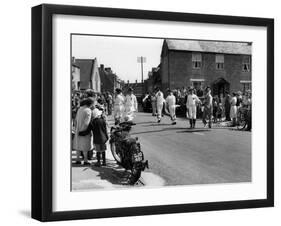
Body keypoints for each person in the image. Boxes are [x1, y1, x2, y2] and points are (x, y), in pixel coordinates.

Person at [72, 97, 94, 165]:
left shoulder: (80, 109)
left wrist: (76, 128)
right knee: (85, 146)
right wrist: (84, 131)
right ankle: (85, 160)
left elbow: (75, 120)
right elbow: (86, 122)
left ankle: (78, 159)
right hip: (84, 130)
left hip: (77, 129)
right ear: (90, 104)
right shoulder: (88, 110)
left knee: (78, 145)